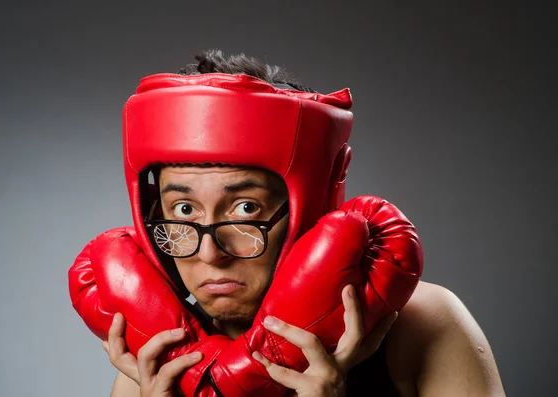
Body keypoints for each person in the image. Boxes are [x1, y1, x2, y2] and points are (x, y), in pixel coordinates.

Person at [72, 50, 505, 396]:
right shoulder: (161, 355)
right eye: (184, 211)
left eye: (246, 209)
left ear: (311, 212)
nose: (209, 254)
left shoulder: (422, 326)